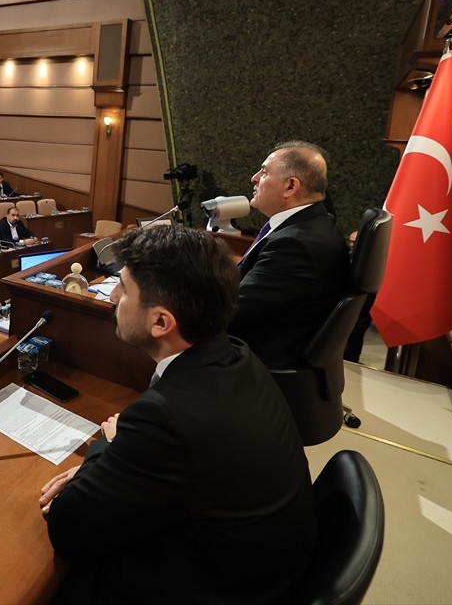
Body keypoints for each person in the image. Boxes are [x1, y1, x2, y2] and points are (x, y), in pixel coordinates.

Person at [39, 224, 316, 604]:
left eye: (123, 287)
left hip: (214, 587)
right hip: (263, 564)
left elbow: (69, 530)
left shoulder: (165, 418)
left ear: (160, 322)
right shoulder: (238, 354)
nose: (113, 296)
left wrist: (108, 448)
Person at [228, 140, 350, 368]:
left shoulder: (295, 245)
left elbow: (231, 312)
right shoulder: (315, 223)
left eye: (264, 171)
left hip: (259, 361)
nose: (254, 178)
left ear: (291, 187)